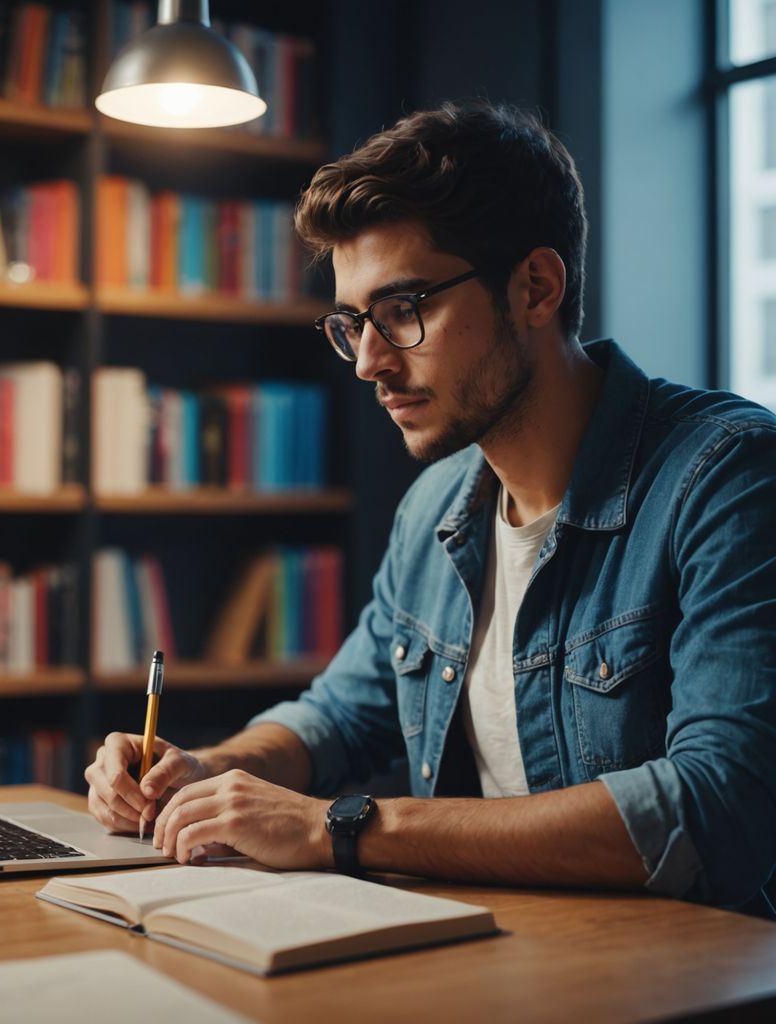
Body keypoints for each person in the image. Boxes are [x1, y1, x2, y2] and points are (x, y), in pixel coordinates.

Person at [85, 101, 776, 918]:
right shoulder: (437, 507)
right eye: (351, 323)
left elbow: (718, 802)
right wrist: (210, 769)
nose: (368, 362)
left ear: (537, 287)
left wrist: (341, 829)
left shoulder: (727, 474)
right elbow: (339, 717)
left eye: (404, 310)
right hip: (494, 964)